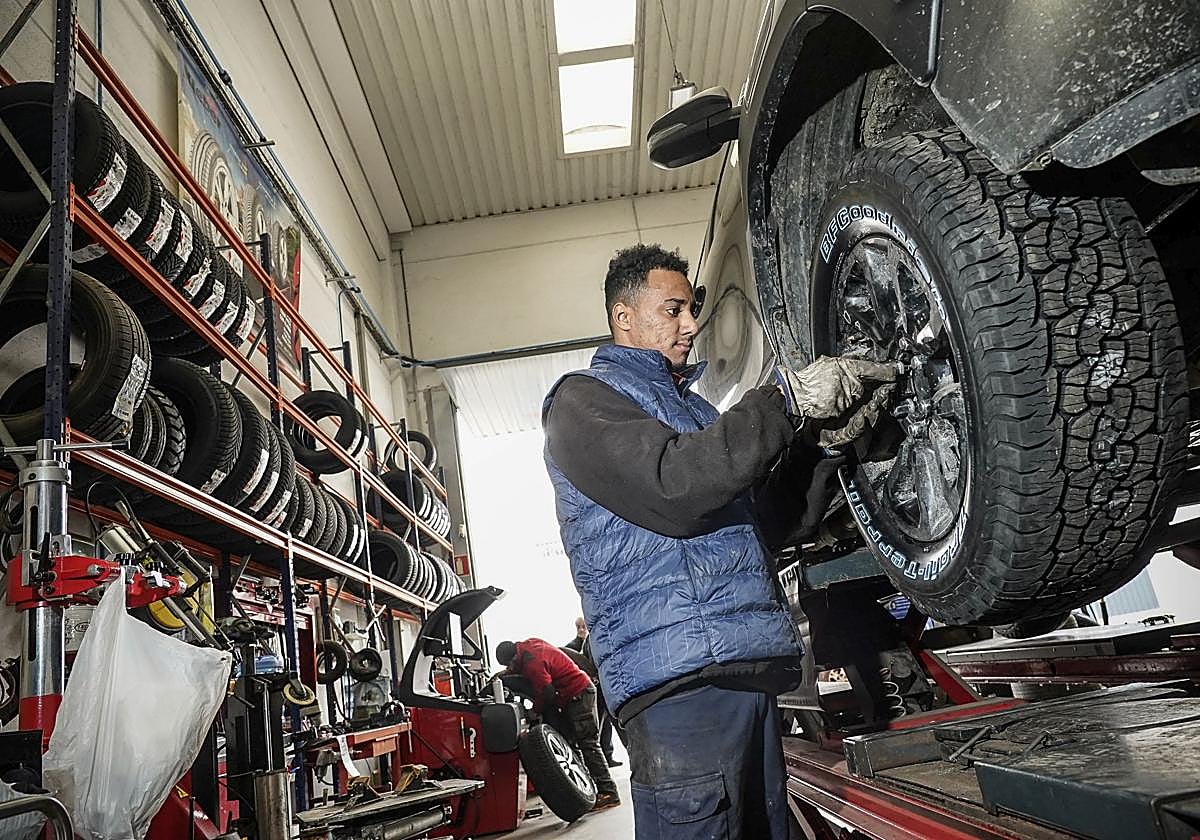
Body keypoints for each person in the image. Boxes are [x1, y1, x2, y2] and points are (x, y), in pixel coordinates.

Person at [541, 243, 895, 839]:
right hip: (679, 686)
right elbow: (675, 486)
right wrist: (782, 400)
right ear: (623, 316)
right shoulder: (582, 403)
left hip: (741, 668)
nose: (690, 325)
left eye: (691, 310)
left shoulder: (697, 412)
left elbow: (765, 523)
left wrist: (821, 447)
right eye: (673, 310)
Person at [495, 638, 621, 810]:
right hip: (573, 695)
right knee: (570, 744)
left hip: (580, 694)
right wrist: (506, 674)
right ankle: (587, 789)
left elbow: (546, 692)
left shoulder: (532, 662)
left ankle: (609, 792)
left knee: (588, 743)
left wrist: (534, 711)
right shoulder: (528, 645)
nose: (510, 668)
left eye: (509, 665)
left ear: (514, 658)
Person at [561, 635, 623, 767]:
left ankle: (606, 757)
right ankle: (604, 758)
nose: (582, 629)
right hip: (597, 683)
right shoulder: (584, 643)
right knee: (601, 724)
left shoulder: (592, 639)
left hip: (600, 683)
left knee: (607, 724)